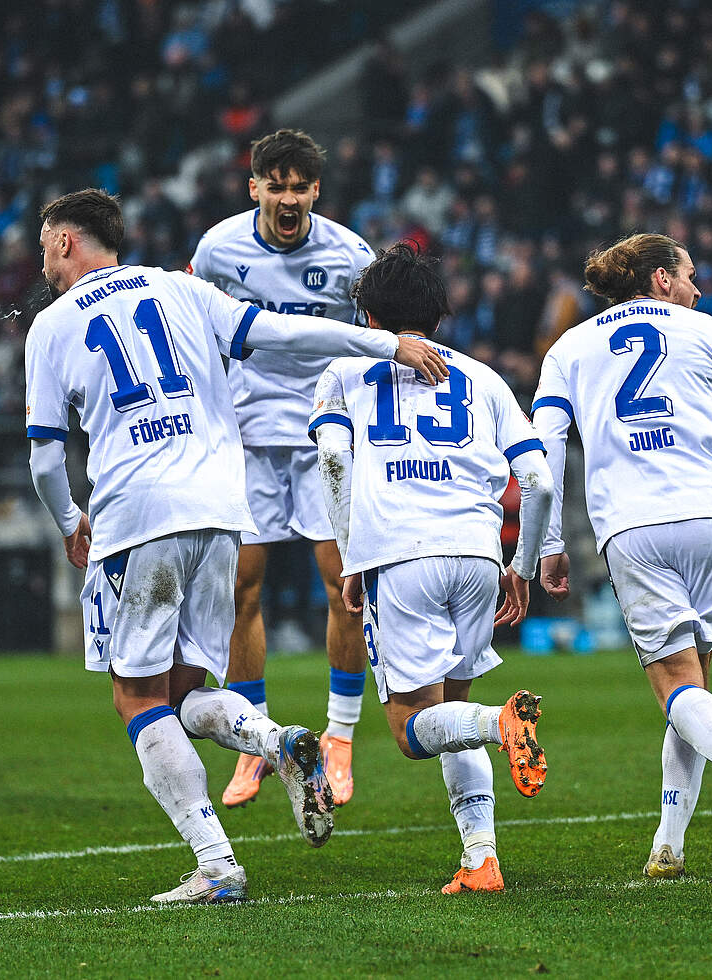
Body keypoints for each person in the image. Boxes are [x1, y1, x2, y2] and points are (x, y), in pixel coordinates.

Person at [24, 189, 446, 905]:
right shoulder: (184, 289)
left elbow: (43, 458)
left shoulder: (53, 324)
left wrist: (70, 521)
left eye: (44, 248)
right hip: (222, 511)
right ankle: (279, 743)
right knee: (182, 692)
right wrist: (388, 343)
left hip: (138, 514)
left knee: (135, 697)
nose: (43, 265)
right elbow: (285, 333)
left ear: (65, 241)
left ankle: (216, 864)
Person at [532, 233, 712, 881]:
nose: (698, 289)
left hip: (632, 524)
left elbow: (544, 455)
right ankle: (667, 847)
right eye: (690, 275)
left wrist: (548, 543)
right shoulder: (710, 332)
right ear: (660, 279)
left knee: (678, 688)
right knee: (693, 687)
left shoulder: (567, 348)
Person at [310, 243, 553, 894]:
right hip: (477, 555)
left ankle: (501, 725)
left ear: (368, 317)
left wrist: (352, 553)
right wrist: (521, 564)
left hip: (400, 555)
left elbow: (332, 460)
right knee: (453, 712)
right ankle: (481, 859)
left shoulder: (343, 372)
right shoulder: (484, 378)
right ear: (439, 316)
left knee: (412, 729)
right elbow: (538, 480)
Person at [187, 130, 376, 810]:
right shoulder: (218, 249)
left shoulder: (351, 255)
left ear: (316, 191)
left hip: (326, 438)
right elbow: (190, 331)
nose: (288, 198)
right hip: (246, 439)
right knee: (240, 588)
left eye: (300, 187)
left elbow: (372, 341)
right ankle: (255, 742)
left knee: (344, 586)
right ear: (255, 188)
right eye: (277, 185)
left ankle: (340, 737)